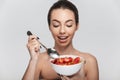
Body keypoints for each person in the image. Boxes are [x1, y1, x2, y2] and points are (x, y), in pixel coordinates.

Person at [22, 0, 99, 80]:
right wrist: (33, 59)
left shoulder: (90, 61)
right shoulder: (39, 60)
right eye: (56, 25)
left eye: (68, 25)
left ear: (76, 26)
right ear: (49, 27)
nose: (62, 31)